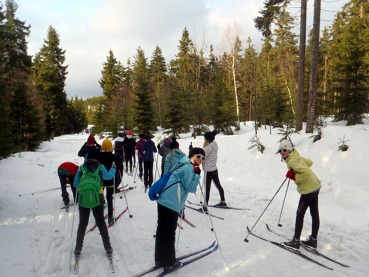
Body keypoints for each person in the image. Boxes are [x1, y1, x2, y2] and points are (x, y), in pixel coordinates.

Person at [154, 147, 205, 272]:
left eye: (203, 158)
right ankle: (169, 263)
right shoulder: (189, 168)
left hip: (163, 199)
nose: (200, 160)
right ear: (192, 155)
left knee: (161, 229)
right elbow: (191, 187)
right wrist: (197, 175)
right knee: (169, 232)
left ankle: (160, 258)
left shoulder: (182, 162)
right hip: (172, 202)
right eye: (198, 156)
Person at [279, 139, 321, 249]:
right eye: (280, 150)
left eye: (284, 150)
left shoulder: (292, 161)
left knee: (300, 214)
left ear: (289, 150)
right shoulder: (295, 156)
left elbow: (305, 172)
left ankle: (296, 241)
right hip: (315, 186)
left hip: (308, 189)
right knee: (314, 213)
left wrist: (294, 176)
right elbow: (309, 163)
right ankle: (313, 240)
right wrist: (296, 170)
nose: (282, 152)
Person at [73, 157, 116, 257]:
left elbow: (75, 184)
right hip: (97, 198)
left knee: (82, 223)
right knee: (101, 223)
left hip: (83, 199)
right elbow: (108, 177)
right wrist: (113, 168)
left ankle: (78, 249)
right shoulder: (100, 167)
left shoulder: (81, 168)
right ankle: (108, 248)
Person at [202, 130, 226, 210]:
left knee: (207, 189)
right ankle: (223, 201)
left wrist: (192, 150)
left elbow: (201, 155)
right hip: (214, 169)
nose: (204, 140)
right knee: (218, 185)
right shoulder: (215, 144)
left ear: (207, 139)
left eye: (205, 138)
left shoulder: (208, 147)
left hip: (208, 171)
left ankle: (205, 207)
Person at [99, 138, 120, 225]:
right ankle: (110, 217)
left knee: (100, 196)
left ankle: (99, 216)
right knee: (109, 197)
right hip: (110, 180)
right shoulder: (113, 156)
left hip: (101, 180)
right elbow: (119, 164)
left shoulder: (99, 155)